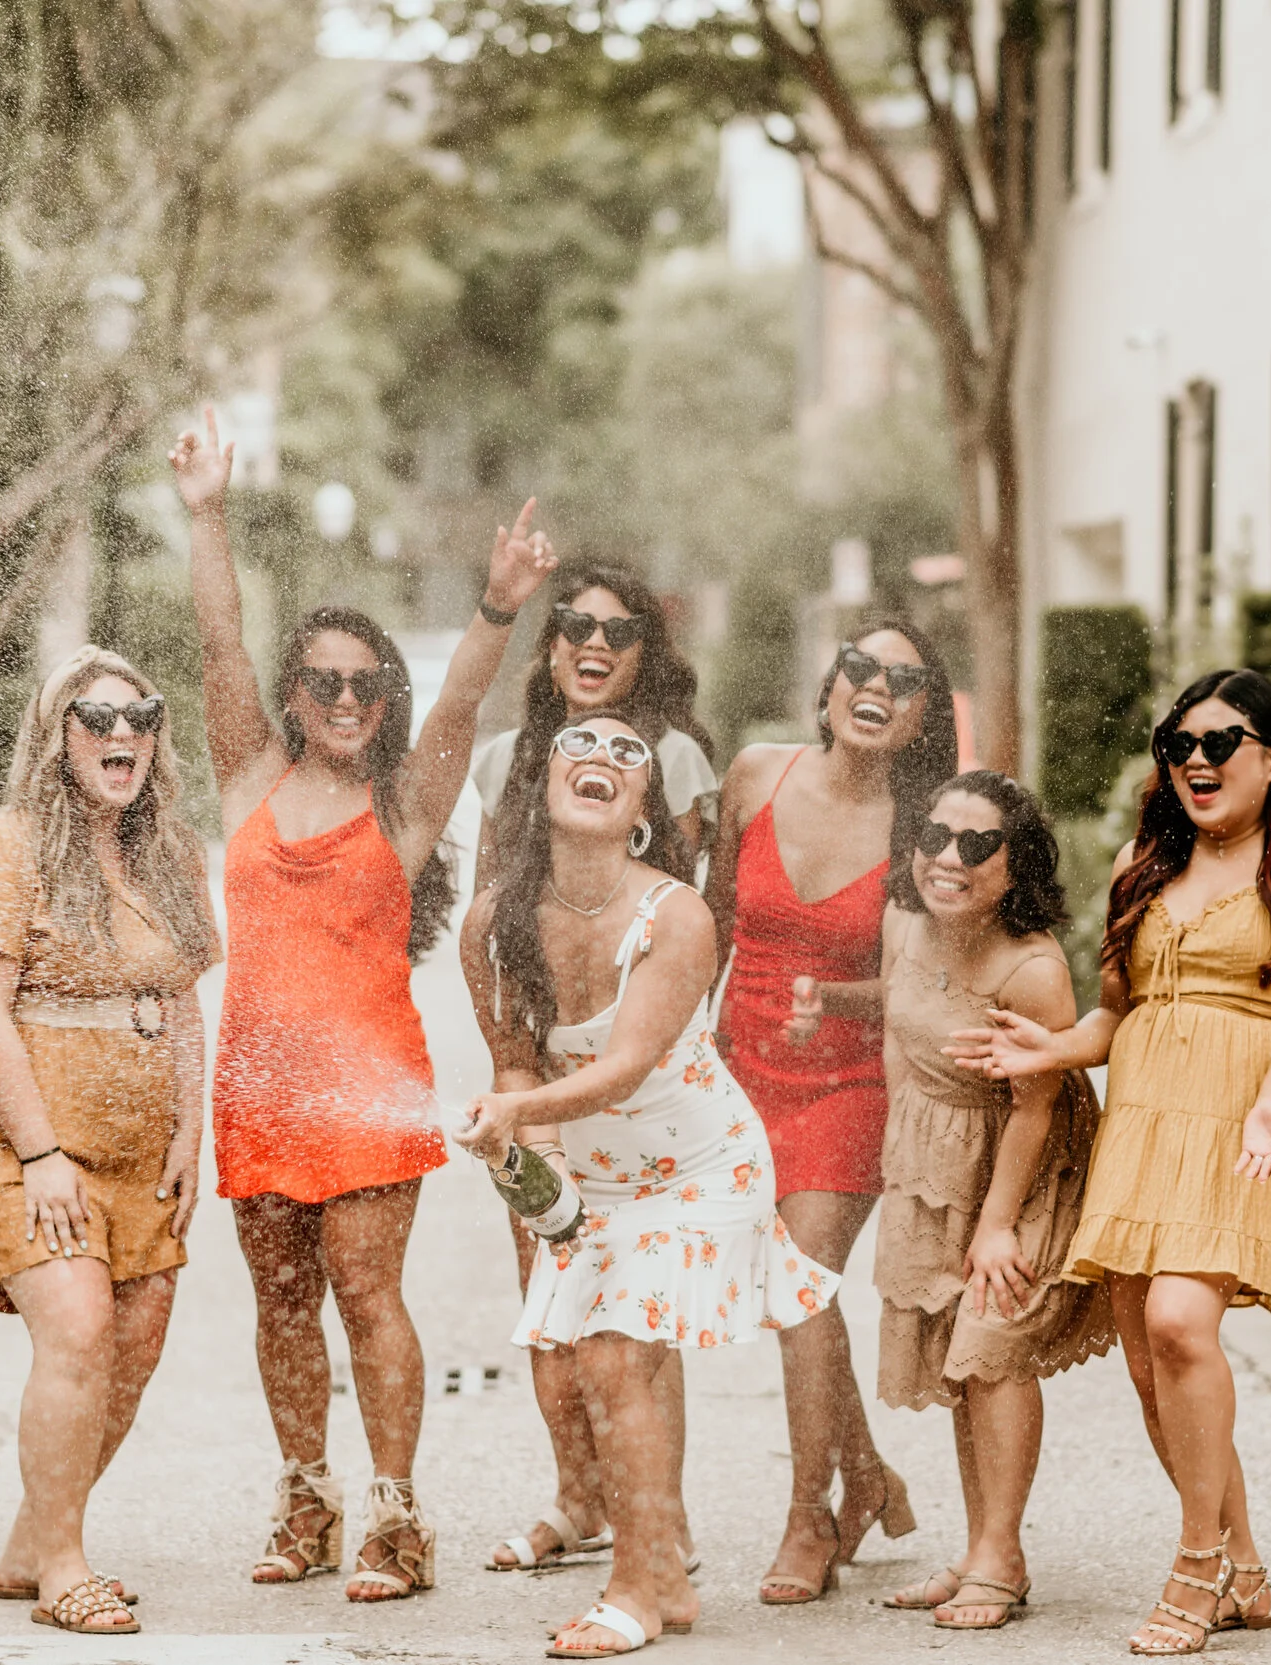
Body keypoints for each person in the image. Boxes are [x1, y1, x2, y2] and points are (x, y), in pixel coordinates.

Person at [170, 404, 557, 1601]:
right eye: (324, 682)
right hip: (259, 1087)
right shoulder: (249, 775)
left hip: (368, 1089)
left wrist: (497, 606)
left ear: (385, 697)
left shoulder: (403, 807)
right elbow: (219, 646)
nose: (347, 699)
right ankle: (305, 1503)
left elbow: (462, 712)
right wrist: (206, 515)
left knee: (366, 1295)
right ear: (294, 695)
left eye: (366, 683)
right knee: (282, 1303)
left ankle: (396, 1517)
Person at [949, 668, 1271, 1656]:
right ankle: (1243, 1569)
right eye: (1178, 745)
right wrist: (1051, 1050)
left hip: (1242, 1117)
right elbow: (1117, 1013)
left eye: (1219, 743)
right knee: (1149, 1366)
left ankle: (1193, 1565)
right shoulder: (1144, 858)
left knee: (1180, 1323)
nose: (1195, 762)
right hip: (1143, 1121)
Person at [454, 713, 839, 1659]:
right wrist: (535, 1167)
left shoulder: (677, 915)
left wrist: (520, 1109)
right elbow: (515, 1061)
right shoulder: (493, 921)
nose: (603, 758)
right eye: (579, 746)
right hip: (597, 1177)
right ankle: (663, 1573)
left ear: (642, 813)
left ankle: (632, 1590)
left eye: (628, 754)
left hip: (704, 1168)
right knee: (599, 1365)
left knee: (615, 1357)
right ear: (539, 789)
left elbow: (623, 1069)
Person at [0, 647, 223, 1637]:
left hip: (145, 1154)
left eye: (140, 717)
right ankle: (65, 1569)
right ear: (55, 735)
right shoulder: (9, 843)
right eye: (97, 718)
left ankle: (33, 1540)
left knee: (133, 1353)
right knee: (77, 1331)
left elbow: (179, 1000)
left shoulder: (170, 850)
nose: (122, 735)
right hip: (30, 1150)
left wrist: (191, 1128)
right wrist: (40, 1154)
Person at [703, 621, 958, 1602]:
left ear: (923, 715)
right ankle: (865, 1476)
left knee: (798, 1286)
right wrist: (677, 1046)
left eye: (904, 680)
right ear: (830, 682)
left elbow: (931, 980)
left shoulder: (924, 830)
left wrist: (840, 1001)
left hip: (852, 1081)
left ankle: (809, 1516)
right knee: (786, 1290)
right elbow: (710, 920)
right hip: (740, 1071)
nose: (876, 687)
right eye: (861, 667)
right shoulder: (755, 775)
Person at [471, 563, 716, 1574]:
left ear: (645, 653)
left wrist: (653, 1053)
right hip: (535, 1071)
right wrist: (515, 1090)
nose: (594, 643)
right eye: (575, 623)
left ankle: (662, 1519)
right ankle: (579, 1499)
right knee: (549, 1297)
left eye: (619, 630)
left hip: (639, 1071)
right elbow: (489, 924)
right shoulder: (503, 760)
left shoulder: (675, 759)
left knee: (638, 1315)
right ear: (550, 643)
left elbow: (694, 918)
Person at [873, 771, 1115, 1630]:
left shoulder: (1031, 966)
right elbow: (898, 1036)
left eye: (978, 844)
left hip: (1022, 1161)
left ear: (1018, 865)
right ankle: (981, 1547)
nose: (949, 857)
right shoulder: (903, 921)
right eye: (935, 835)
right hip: (935, 1155)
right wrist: (902, 1158)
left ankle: (1001, 1555)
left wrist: (998, 1224)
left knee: (991, 1345)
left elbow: (1036, 1106)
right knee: (956, 1353)